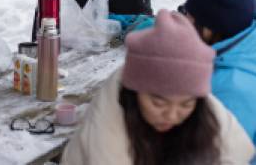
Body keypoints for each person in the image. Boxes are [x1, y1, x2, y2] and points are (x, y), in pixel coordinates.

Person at [61, 9, 254, 165]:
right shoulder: (111, 116)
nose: (171, 115)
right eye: (158, 102)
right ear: (134, 92)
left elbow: (234, 153)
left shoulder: (205, 108)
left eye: (185, 105)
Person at [181, 0, 256, 147]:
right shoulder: (246, 40)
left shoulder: (228, 90)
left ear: (210, 29)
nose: (185, 22)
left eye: (190, 16)